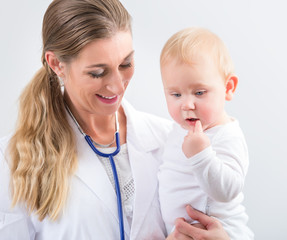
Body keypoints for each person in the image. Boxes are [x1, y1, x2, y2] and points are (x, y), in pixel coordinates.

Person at [0, 1, 230, 239]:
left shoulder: (173, 140)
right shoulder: (12, 161)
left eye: (126, 64)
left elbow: (221, 214)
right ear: (57, 64)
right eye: (97, 73)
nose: (118, 85)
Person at [158, 27, 254, 239]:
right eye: (176, 94)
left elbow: (229, 190)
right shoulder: (176, 130)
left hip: (221, 231)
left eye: (199, 92)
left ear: (228, 88)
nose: (187, 104)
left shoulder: (227, 135)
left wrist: (201, 155)